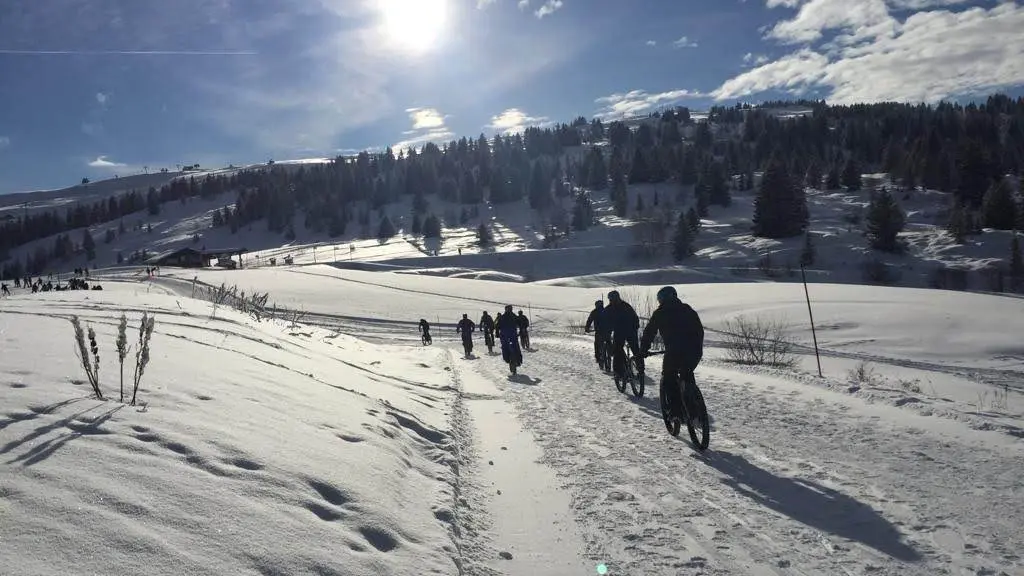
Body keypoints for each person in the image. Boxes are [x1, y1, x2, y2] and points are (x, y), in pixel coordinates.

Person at [640, 286, 704, 425]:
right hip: (694, 350)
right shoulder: (687, 309)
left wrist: (643, 349)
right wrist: (697, 346)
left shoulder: (660, 312)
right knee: (687, 373)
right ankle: (694, 409)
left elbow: (649, 332)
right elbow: (699, 329)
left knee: (669, 377)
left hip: (674, 351)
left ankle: (676, 413)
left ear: (662, 299)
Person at [604, 290, 643, 381]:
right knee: (636, 350)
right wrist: (635, 327)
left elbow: (606, 324)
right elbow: (635, 318)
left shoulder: (609, 309)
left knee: (617, 350)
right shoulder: (626, 305)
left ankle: (618, 373)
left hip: (620, 332)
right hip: (631, 331)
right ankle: (641, 370)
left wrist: (607, 334)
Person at [584, 299, 611, 369]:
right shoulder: (607, 310)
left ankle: (598, 358)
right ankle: (610, 352)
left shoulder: (594, 312)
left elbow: (589, 320)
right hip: (607, 331)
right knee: (608, 341)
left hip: (599, 332)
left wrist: (587, 328)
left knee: (597, 344)